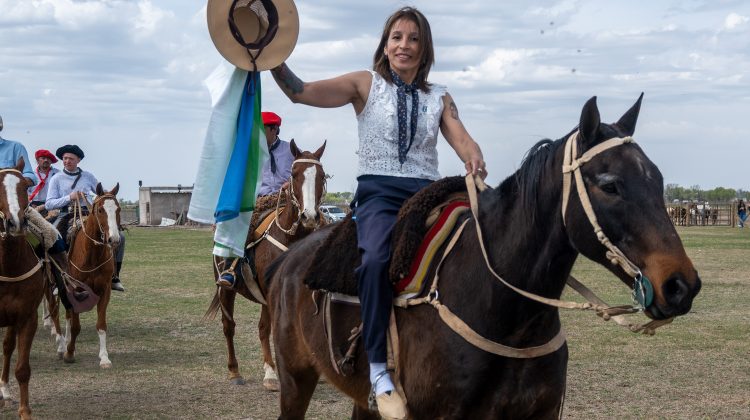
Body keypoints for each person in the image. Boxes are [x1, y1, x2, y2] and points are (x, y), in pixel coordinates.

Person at [270, 7, 486, 419]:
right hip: (380, 195)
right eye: (396, 37)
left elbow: (462, 140)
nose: (403, 45)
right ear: (385, 46)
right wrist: (271, 59)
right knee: (373, 260)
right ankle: (378, 372)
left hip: (430, 192)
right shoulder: (364, 85)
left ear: (425, 50)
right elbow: (299, 90)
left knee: (479, 245)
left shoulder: (439, 95)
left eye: (413, 39)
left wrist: (474, 158)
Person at [0, 114, 77, 301]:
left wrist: (14, 181)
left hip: (16, 207)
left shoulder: (15, 147)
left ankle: (65, 280)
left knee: (50, 233)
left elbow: (30, 175)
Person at [45, 144, 127, 292]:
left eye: (71, 158)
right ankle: (58, 278)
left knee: (120, 236)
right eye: (64, 158)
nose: (67, 161)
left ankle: (114, 276)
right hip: (65, 214)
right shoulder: (56, 178)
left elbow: (101, 194)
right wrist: (69, 197)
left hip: (88, 214)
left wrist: (108, 197)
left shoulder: (88, 176)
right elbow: (49, 203)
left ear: (78, 160)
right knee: (53, 237)